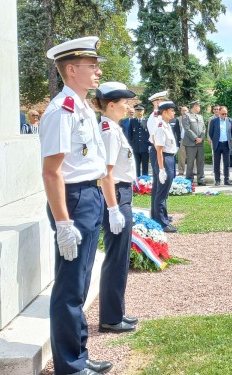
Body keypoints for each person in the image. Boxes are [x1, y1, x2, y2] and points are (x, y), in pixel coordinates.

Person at [40, 36, 112, 375]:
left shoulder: (82, 107)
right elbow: (51, 172)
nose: (97, 71)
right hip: (73, 199)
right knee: (69, 287)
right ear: (71, 69)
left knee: (81, 283)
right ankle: (69, 365)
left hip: (90, 196)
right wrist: (63, 225)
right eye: (91, 66)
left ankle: (80, 355)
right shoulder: (61, 111)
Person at [91, 82, 139, 335]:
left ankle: (116, 313)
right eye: (124, 103)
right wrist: (113, 208)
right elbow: (106, 175)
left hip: (121, 193)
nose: (128, 107)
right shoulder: (109, 131)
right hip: (116, 196)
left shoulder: (114, 129)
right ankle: (110, 317)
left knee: (120, 259)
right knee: (116, 259)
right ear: (111, 105)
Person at [152, 101, 179, 233]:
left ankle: (164, 219)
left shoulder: (167, 125)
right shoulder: (161, 127)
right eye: (172, 110)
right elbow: (159, 150)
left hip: (170, 158)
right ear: (164, 112)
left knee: (164, 191)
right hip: (165, 158)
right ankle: (162, 223)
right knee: (161, 193)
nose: (174, 112)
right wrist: (161, 169)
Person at [146, 90, 169, 217]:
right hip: (157, 151)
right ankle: (157, 213)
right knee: (159, 184)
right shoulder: (154, 117)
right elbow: (154, 137)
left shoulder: (160, 116)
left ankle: (160, 212)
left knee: (162, 184)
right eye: (162, 101)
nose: (164, 103)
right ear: (156, 102)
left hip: (160, 150)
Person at [208, 106, 232, 186]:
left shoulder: (230, 121)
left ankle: (227, 179)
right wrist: (215, 140)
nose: (224, 115)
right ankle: (217, 180)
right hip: (217, 144)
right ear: (219, 113)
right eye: (223, 114)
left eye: (226, 114)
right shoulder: (214, 121)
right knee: (216, 163)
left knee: (226, 163)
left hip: (226, 144)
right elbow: (210, 132)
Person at [183, 100, 207, 186]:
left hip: (200, 143)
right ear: (195, 106)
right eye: (199, 106)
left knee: (200, 162)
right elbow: (187, 129)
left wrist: (201, 138)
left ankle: (201, 179)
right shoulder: (187, 116)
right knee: (190, 162)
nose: (199, 107)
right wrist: (195, 138)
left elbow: (204, 128)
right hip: (191, 143)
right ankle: (189, 179)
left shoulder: (200, 116)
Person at [127, 104, 151, 176]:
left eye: (141, 110)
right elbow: (129, 134)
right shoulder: (132, 121)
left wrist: (150, 145)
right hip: (135, 147)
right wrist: (130, 146)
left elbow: (150, 134)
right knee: (136, 165)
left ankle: (145, 181)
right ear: (135, 111)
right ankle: (137, 180)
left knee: (145, 165)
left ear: (144, 111)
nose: (139, 112)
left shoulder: (147, 121)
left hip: (145, 147)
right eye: (137, 110)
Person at [176, 106, 189, 176]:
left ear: (188, 111)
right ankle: (181, 171)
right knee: (181, 156)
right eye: (183, 110)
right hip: (182, 140)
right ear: (181, 112)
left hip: (190, 140)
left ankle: (193, 171)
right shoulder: (178, 119)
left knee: (192, 156)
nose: (184, 112)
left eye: (185, 110)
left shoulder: (191, 118)